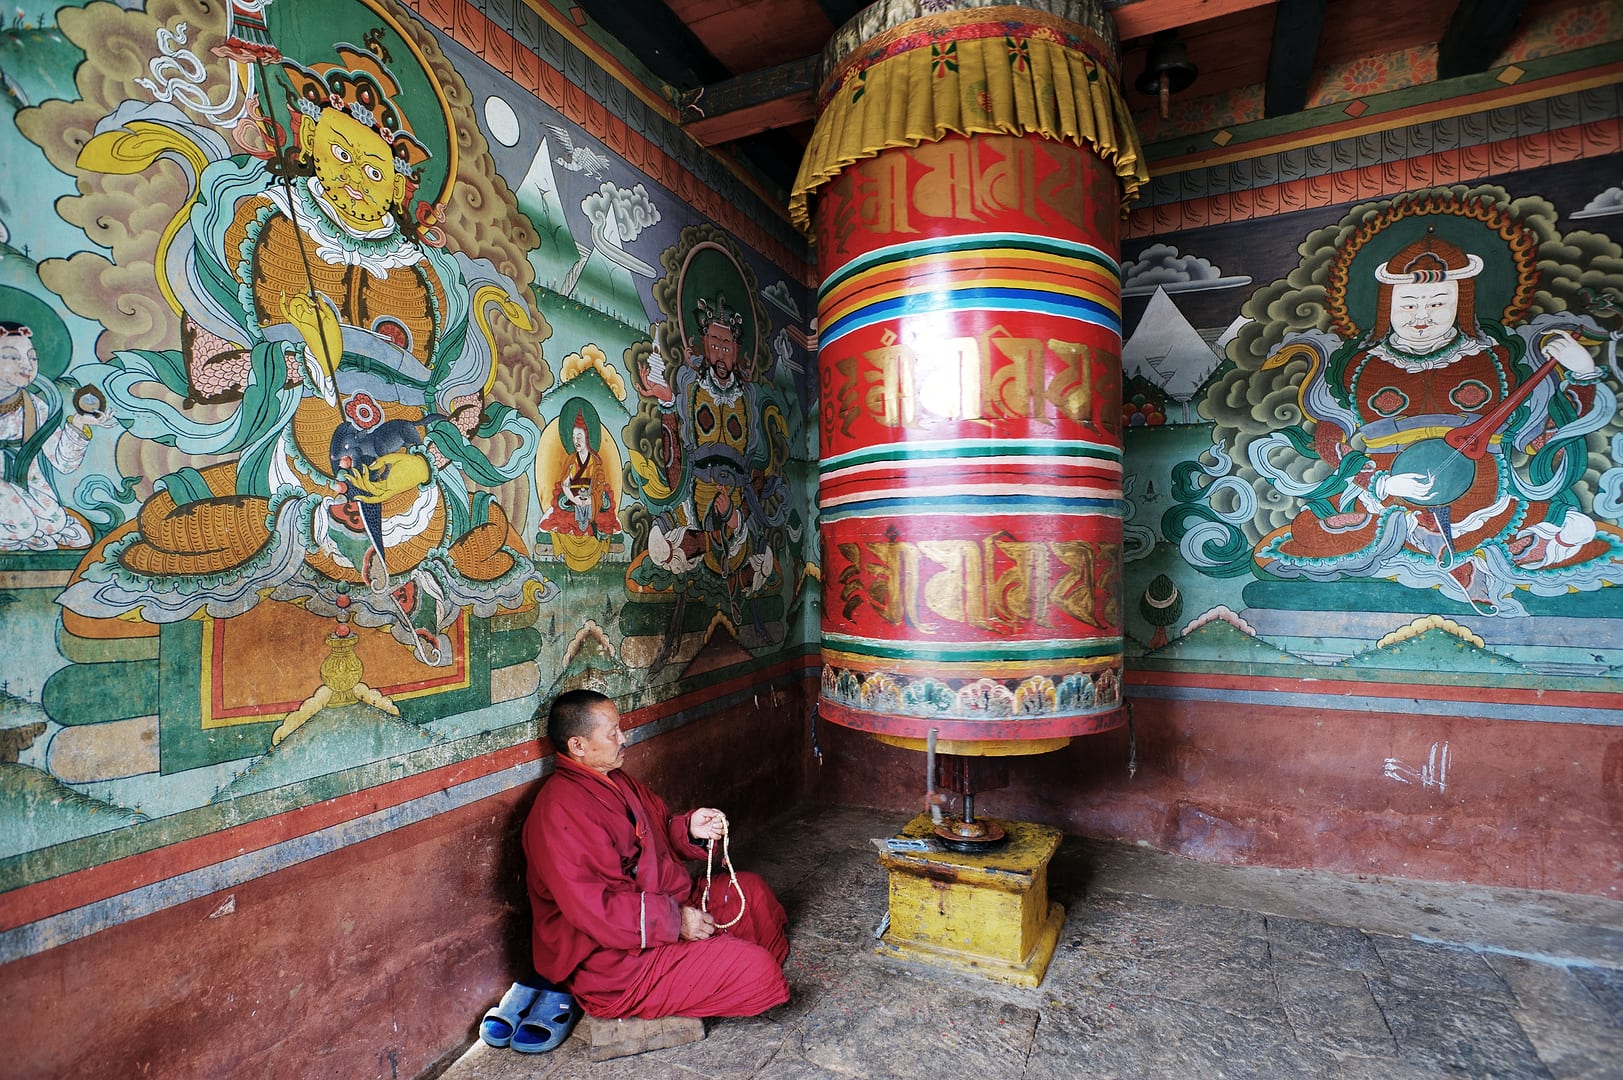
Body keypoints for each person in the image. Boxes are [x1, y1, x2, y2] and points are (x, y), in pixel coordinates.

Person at [1257, 227, 1613, 611]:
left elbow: (1542, 435)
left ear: (1461, 303)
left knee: (1582, 533)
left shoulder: (1496, 360)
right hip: (1391, 502)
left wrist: (1583, 376)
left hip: (1490, 504)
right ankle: (1452, 561)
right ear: (1387, 304)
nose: (1422, 316)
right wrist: (1379, 481)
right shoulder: (1360, 367)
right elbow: (1331, 440)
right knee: (1303, 537)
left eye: (1438, 303)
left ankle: (1479, 561)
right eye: (1408, 304)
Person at [522, 689, 790, 1020]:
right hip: (617, 957)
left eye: (620, 728)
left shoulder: (616, 780)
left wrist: (689, 828)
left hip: (665, 905)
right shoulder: (558, 811)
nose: (624, 737)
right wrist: (676, 922)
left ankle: (710, 966)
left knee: (753, 892)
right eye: (613, 733)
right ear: (577, 746)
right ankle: (715, 966)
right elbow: (597, 909)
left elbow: (656, 832)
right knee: (756, 970)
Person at [0, 322, 112, 550]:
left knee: (68, 529)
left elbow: (63, 463)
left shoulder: (37, 408)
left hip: (27, 490)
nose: (26, 365)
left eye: (32, 357)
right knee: (24, 524)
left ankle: (21, 532)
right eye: (12, 357)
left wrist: (80, 425)